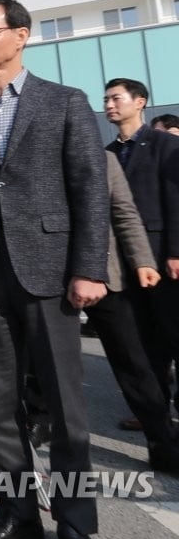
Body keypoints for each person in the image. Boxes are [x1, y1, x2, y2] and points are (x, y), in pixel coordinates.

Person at [0, 0, 109, 539]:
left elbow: (89, 188)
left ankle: (76, 522)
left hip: (50, 272)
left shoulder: (65, 103)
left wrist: (87, 267)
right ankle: (18, 515)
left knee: (64, 404)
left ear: (22, 35)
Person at [82, 152, 179, 473]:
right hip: (49, 282)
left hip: (108, 276)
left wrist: (143, 261)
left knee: (134, 363)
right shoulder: (31, 154)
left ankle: (162, 442)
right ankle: (39, 422)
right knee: (45, 363)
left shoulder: (103, 159)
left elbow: (124, 213)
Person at [105, 79, 179, 424]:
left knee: (172, 333)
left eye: (116, 98)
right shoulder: (106, 153)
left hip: (163, 258)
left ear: (140, 102)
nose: (109, 105)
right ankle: (155, 413)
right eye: (105, 100)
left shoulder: (164, 145)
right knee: (143, 342)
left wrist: (175, 252)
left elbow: (175, 202)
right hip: (123, 263)